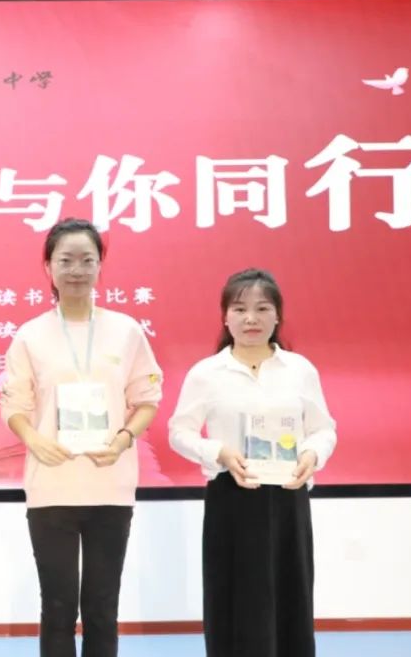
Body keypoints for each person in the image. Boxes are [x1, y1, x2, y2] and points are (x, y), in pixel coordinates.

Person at [0, 217, 162, 657]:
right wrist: (33, 439)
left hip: (110, 484)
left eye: (87, 260)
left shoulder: (126, 331)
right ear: (48, 267)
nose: (76, 270)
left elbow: (147, 399)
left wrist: (124, 438)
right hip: (51, 486)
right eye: (66, 260)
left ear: (100, 266)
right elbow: (13, 405)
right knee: (57, 607)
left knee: (102, 607)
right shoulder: (30, 335)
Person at [168, 268, 337, 657]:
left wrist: (313, 454)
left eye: (262, 309)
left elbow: (324, 429)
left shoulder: (299, 370)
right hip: (232, 497)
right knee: (235, 599)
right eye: (240, 309)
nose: (251, 319)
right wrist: (219, 452)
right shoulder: (207, 373)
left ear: (277, 316)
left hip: (288, 497)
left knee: (290, 595)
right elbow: (180, 432)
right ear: (225, 316)